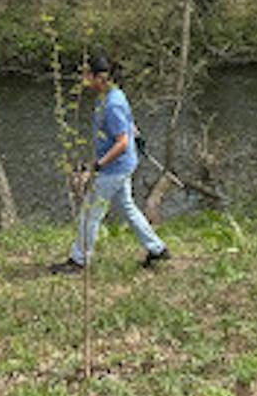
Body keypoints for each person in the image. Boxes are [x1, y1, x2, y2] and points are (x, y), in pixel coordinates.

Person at [50, 51, 169, 273]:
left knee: (90, 212)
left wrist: (96, 166)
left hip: (114, 168)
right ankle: (157, 249)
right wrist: (138, 137)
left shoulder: (111, 104)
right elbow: (129, 126)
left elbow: (122, 142)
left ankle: (78, 261)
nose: (83, 79)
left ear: (100, 77)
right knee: (127, 208)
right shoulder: (112, 95)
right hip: (123, 165)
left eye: (87, 75)